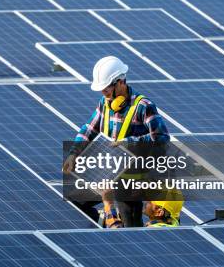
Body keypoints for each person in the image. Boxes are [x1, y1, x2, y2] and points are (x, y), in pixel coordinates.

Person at [63, 56, 170, 227]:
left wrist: (130, 142)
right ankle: (106, 221)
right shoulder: (104, 104)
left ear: (120, 82)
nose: (103, 93)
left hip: (132, 180)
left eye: (106, 89)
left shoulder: (143, 106)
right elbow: (89, 129)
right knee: (77, 202)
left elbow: (162, 138)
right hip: (106, 175)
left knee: (130, 228)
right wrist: (74, 153)